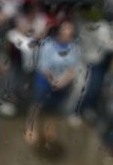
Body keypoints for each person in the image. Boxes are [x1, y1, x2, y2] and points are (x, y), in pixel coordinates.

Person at [27, 21, 80, 155]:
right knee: (37, 105)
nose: (67, 35)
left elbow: (73, 68)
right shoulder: (48, 44)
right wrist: (53, 80)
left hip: (62, 84)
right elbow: (44, 66)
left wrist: (62, 81)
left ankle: (49, 127)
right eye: (64, 31)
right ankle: (31, 128)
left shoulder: (73, 48)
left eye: (70, 33)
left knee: (54, 108)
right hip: (44, 81)